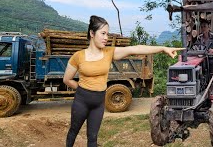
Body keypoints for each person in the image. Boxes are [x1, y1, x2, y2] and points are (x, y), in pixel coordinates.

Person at [63, 15, 185, 147]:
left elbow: (135, 49)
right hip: (81, 101)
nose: (106, 38)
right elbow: (67, 79)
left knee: (92, 139)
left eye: (107, 34)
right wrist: (84, 90)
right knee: (73, 132)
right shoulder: (78, 56)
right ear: (92, 33)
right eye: (103, 33)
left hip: (98, 103)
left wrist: (163, 48)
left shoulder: (109, 53)